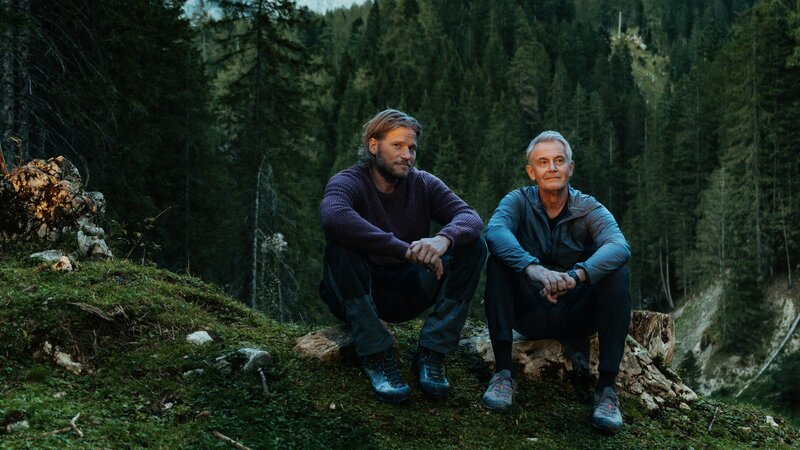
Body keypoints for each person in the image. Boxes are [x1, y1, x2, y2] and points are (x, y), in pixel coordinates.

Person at [319, 109, 487, 404]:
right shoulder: (349, 182)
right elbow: (333, 216)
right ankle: (377, 355)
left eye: (411, 148)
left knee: (473, 246)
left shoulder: (423, 183)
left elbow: (469, 217)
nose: (407, 155)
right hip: (359, 291)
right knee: (340, 244)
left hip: (407, 289)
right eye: (397, 146)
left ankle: (432, 353)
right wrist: (404, 249)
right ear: (374, 146)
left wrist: (442, 240)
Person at [481, 130, 631, 433]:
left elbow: (619, 245)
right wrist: (533, 269)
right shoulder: (518, 201)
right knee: (497, 261)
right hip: (530, 311)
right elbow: (495, 231)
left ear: (570, 168)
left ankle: (606, 390)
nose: (552, 168)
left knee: (618, 273)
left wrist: (576, 277)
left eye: (559, 161)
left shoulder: (588, 208)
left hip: (577, 314)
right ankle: (503, 374)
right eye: (543, 162)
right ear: (531, 171)